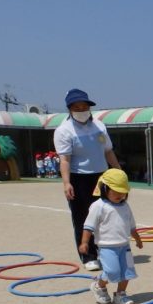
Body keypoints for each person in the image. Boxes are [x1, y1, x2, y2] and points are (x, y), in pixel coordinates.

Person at [54, 88, 121, 271]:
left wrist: (118, 171)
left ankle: (104, 251)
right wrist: (67, 183)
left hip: (102, 176)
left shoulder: (99, 126)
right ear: (70, 109)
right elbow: (65, 159)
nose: (82, 109)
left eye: (85, 106)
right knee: (83, 218)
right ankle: (88, 255)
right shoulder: (64, 130)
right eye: (77, 107)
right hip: (79, 178)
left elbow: (108, 151)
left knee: (105, 215)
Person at [80, 169, 143, 304]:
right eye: (116, 191)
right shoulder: (98, 206)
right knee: (111, 272)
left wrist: (137, 239)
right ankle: (98, 285)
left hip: (124, 246)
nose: (120, 195)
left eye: (123, 192)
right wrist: (84, 242)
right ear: (104, 188)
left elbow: (132, 226)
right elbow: (88, 226)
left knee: (127, 273)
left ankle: (120, 295)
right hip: (107, 247)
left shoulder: (125, 206)